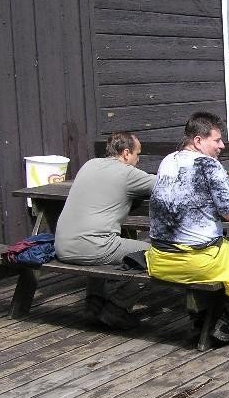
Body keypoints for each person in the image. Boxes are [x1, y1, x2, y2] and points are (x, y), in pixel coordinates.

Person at [146, 111, 229, 344]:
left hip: (160, 258)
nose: (222, 146)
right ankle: (224, 322)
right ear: (198, 141)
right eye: (217, 140)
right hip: (198, 260)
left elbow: (195, 197)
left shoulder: (168, 160)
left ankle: (200, 318)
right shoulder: (209, 165)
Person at [54, 132, 156, 327]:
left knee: (101, 241)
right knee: (156, 256)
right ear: (126, 153)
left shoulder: (89, 165)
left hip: (62, 246)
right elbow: (167, 185)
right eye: (137, 154)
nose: (138, 160)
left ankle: (94, 303)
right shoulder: (127, 173)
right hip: (92, 247)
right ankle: (116, 309)